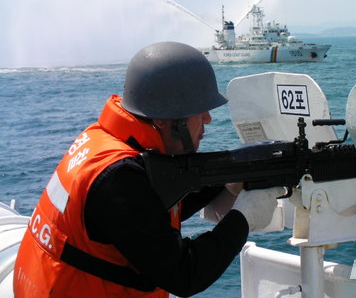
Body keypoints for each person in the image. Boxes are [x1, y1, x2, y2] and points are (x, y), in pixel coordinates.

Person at [14, 42, 283, 297]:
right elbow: (185, 274)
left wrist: (226, 180)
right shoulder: (117, 177)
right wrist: (243, 217)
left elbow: (146, 214)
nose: (208, 119)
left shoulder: (103, 143)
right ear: (166, 119)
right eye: (199, 111)